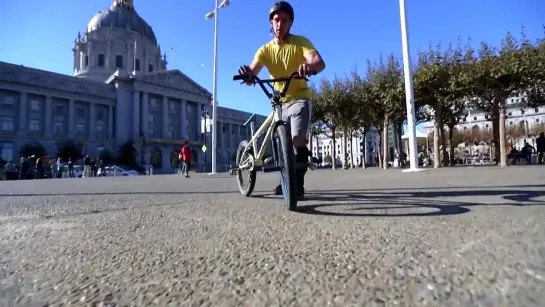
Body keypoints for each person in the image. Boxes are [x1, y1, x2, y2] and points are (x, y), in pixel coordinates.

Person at [237, 1, 326, 199]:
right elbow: (254, 70)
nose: (280, 24)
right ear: (271, 22)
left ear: (290, 23)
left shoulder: (300, 42)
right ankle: (286, 180)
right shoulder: (265, 50)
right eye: (276, 20)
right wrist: (248, 74)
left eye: (285, 20)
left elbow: (318, 62)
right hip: (279, 101)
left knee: (297, 141)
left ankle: (297, 184)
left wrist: (309, 67)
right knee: (281, 143)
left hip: (300, 98)